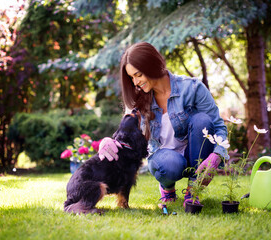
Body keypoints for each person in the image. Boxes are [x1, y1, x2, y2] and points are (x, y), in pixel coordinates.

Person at [98, 42, 229, 208]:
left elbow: (218, 126)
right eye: (131, 77)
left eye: (138, 75)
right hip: (165, 159)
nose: (135, 82)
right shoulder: (139, 98)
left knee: (202, 120)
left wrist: (217, 155)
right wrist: (108, 141)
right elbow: (125, 129)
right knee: (169, 164)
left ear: (152, 66)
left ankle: (193, 190)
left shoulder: (192, 88)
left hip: (194, 154)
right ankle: (167, 189)